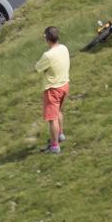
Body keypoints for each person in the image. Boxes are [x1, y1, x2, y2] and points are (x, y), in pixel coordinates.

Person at [35, 25, 69, 156]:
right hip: (65, 84)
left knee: (52, 118)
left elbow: (38, 68)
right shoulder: (64, 48)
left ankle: (55, 146)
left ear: (47, 39)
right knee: (58, 111)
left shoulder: (48, 55)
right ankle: (60, 135)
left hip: (53, 89)